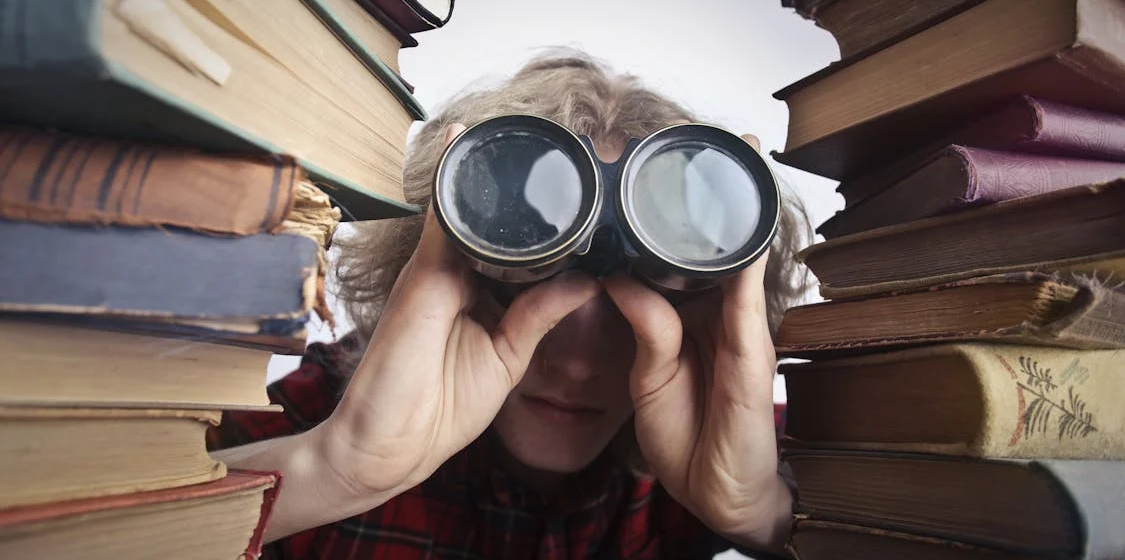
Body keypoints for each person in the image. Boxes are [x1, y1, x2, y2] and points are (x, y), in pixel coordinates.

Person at [209, 49, 811, 559]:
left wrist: (761, 512)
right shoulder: (308, 417)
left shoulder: (737, 438)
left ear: (704, 317)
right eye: (526, 285)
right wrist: (329, 468)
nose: (576, 365)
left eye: (635, 308)